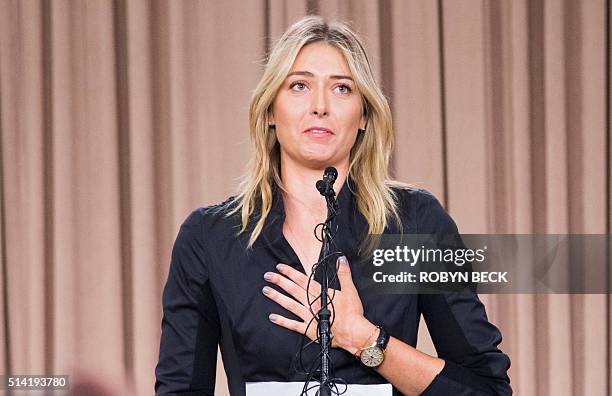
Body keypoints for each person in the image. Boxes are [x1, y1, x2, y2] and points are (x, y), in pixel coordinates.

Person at [155, 15, 511, 396]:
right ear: (271, 110)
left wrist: (365, 340)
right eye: (299, 86)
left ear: (363, 116)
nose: (320, 106)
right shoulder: (210, 237)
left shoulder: (416, 223)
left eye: (342, 88)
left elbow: (487, 389)